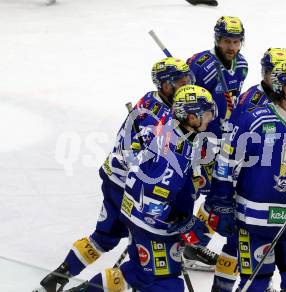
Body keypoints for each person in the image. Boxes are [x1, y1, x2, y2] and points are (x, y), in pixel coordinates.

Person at [38, 57, 195, 292]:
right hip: (128, 188)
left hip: (115, 176)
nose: (184, 88)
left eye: (187, 82)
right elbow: (148, 163)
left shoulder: (151, 100)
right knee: (143, 261)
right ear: (164, 85)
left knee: (104, 237)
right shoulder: (158, 117)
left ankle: (57, 278)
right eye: (179, 83)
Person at [66, 84, 217, 292]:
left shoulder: (172, 133)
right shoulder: (173, 151)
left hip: (137, 218)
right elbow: (152, 203)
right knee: (166, 284)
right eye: (206, 114)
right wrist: (184, 223)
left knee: (136, 274)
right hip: (152, 228)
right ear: (191, 117)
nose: (210, 119)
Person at [206, 60, 286, 291]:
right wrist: (221, 203)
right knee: (256, 284)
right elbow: (224, 162)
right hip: (254, 223)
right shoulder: (253, 120)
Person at [183, 15, 248, 271]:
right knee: (192, 190)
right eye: (226, 41)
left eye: (236, 41)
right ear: (217, 40)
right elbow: (182, 100)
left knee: (219, 194)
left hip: (222, 141)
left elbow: (234, 99)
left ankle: (192, 242)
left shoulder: (241, 64)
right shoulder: (199, 65)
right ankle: (166, 237)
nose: (231, 47)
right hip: (198, 140)